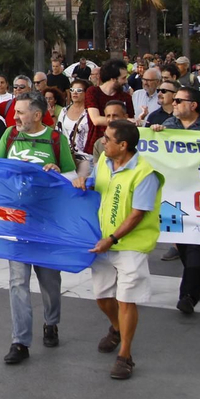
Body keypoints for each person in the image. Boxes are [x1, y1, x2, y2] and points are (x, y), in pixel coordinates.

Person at [73, 119, 163, 380]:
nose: (102, 141)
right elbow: (98, 187)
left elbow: (137, 215)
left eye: (108, 139)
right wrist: (83, 182)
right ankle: (116, 328)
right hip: (102, 241)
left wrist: (111, 239)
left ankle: (125, 355)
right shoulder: (104, 162)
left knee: (126, 299)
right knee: (102, 297)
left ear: (123, 145)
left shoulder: (145, 173)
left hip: (130, 245)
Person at [0, 96, 72, 361]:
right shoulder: (10, 135)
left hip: (47, 223)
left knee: (50, 281)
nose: (15, 117)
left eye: (20, 113)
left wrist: (56, 172)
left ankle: (51, 322)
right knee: (17, 282)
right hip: (16, 221)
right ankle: (20, 341)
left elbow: (72, 177)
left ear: (37, 115)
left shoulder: (56, 140)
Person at [149, 87, 200, 311]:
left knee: (196, 241)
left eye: (179, 100)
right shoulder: (168, 125)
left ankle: (188, 295)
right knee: (182, 242)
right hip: (174, 192)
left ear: (194, 105)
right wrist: (154, 133)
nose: (175, 103)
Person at [83, 62, 132, 158]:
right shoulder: (93, 92)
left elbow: (130, 121)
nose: (125, 81)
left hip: (119, 148)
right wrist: (125, 121)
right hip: (96, 146)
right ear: (113, 79)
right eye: (123, 78)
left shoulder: (126, 97)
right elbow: (96, 120)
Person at [57, 79, 93, 172]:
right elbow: (58, 132)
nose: (74, 93)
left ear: (86, 93)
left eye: (79, 90)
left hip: (85, 157)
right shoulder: (64, 111)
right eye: (72, 90)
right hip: (65, 156)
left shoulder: (91, 112)